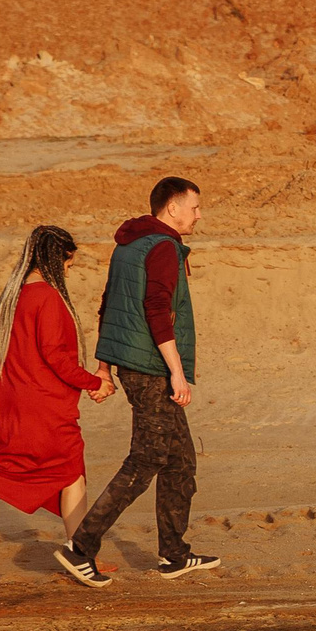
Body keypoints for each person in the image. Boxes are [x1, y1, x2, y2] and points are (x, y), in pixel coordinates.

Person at [0, 225, 116, 574]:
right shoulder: (48, 297)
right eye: (69, 265)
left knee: (6, 473)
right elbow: (57, 358)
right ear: (56, 261)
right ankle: (80, 554)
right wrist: (95, 382)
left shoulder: (13, 295)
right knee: (69, 473)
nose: (69, 272)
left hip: (12, 400)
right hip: (42, 406)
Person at [58, 176, 221, 585]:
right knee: (147, 458)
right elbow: (155, 310)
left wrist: (103, 367)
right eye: (195, 207)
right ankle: (81, 548)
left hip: (137, 364)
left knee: (180, 460)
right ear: (172, 209)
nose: (199, 215)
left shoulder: (130, 244)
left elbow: (110, 303)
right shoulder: (162, 246)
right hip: (150, 367)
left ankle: (174, 554)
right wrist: (178, 373)